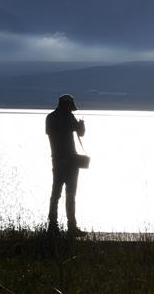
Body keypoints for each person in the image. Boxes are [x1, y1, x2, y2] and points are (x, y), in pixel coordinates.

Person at [46, 93, 86, 234]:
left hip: (57, 160)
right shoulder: (69, 117)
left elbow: (51, 133)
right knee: (70, 195)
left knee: (55, 194)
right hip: (70, 161)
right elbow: (81, 133)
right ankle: (71, 227)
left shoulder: (50, 118)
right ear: (68, 105)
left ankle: (53, 225)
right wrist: (81, 126)